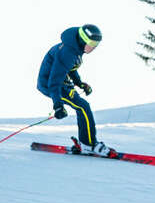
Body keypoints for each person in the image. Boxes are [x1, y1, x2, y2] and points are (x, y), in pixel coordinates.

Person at [37, 24, 108, 155]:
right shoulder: (68, 52)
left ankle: (86, 143)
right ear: (83, 39)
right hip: (50, 85)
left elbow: (70, 68)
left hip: (61, 82)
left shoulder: (76, 48)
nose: (93, 47)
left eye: (96, 44)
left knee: (83, 107)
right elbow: (54, 81)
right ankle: (88, 144)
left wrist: (80, 84)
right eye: (92, 43)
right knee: (83, 107)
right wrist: (57, 105)